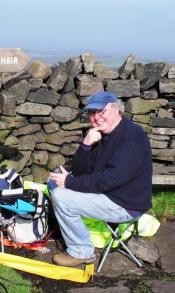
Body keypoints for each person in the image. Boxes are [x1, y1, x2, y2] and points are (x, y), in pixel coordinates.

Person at [49, 91, 153, 267]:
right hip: (109, 194)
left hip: (126, 205)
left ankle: (81, 251)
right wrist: (86, 145)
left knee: (61, 195)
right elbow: (80, 171)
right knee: (53, 181)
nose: (96, 118)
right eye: (92, 113)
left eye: (101, 111)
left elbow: (111, 179)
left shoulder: (131, 137)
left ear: (115, 109)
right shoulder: (101, 135)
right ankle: (72, 231)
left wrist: (69, 183)